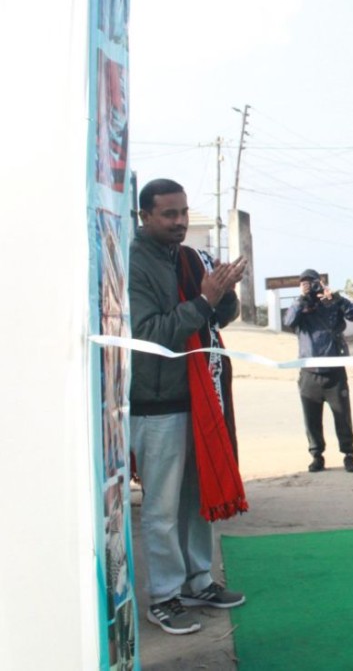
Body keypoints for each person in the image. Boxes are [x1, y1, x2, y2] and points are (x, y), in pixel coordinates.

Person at [129, 178, 248, 636]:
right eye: (168, 214)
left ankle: (199, 581)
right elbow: (152, 334)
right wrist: (204, 299)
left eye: (183, 213)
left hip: (201, 397)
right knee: (160, 508)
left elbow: (216, 316)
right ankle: (165, 596)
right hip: (156, 402)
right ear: (145, 217)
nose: (179, 222)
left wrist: (223, 293)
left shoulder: (189, 257)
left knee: (198, 498)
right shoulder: (135, 261)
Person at [284, 269, 353, 473]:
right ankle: (316, 456)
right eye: (306, 283)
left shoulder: (332, 303)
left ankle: (349, 454)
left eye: (313, 282)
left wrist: (336, 298)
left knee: (342, 416)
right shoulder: (300, 307)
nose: (311, 287)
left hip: (334, 371)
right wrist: (302, 298)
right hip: (309, 373)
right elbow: (289, 321)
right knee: (311, 419)